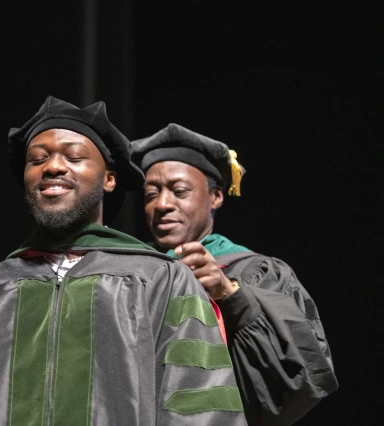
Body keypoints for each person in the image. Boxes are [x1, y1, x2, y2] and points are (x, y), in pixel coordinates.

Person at [0, 98, 248, 425]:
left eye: (73, 157)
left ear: (109, 179)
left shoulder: (161, 281)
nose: (53, 167)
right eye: (37, 159)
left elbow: (202, 411)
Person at [131, 123, 338, 426]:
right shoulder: (130, 268)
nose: (162, 204)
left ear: (215, 197)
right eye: (151, 193)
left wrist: (229, 295)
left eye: (179, 191)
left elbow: (301, 375)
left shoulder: (256, 271)